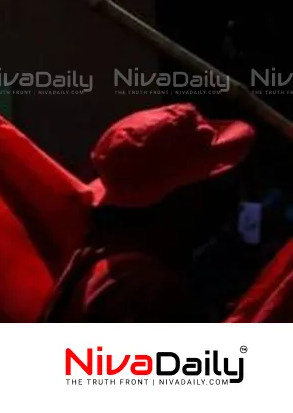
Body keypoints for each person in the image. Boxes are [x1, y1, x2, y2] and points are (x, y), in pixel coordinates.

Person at [41, 103, 254, 322]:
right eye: (216, 184)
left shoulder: (99, 261)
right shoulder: (148, 290)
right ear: (184, 200)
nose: (231, 198)